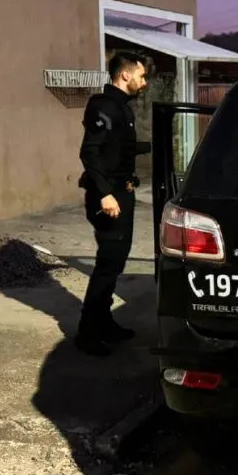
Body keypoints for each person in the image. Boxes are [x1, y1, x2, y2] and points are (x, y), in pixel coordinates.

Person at [75, 51, 149, 357]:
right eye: (142, 76)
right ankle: (87, 334)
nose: (144, 82)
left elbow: (120, 148)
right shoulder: (104, 107)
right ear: (125, 75)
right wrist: (105, 193)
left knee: (115, 263)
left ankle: (104, 323)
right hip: (109, 199)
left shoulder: (122, 108)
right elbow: (89, 152)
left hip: (123, 194)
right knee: (107, 267)